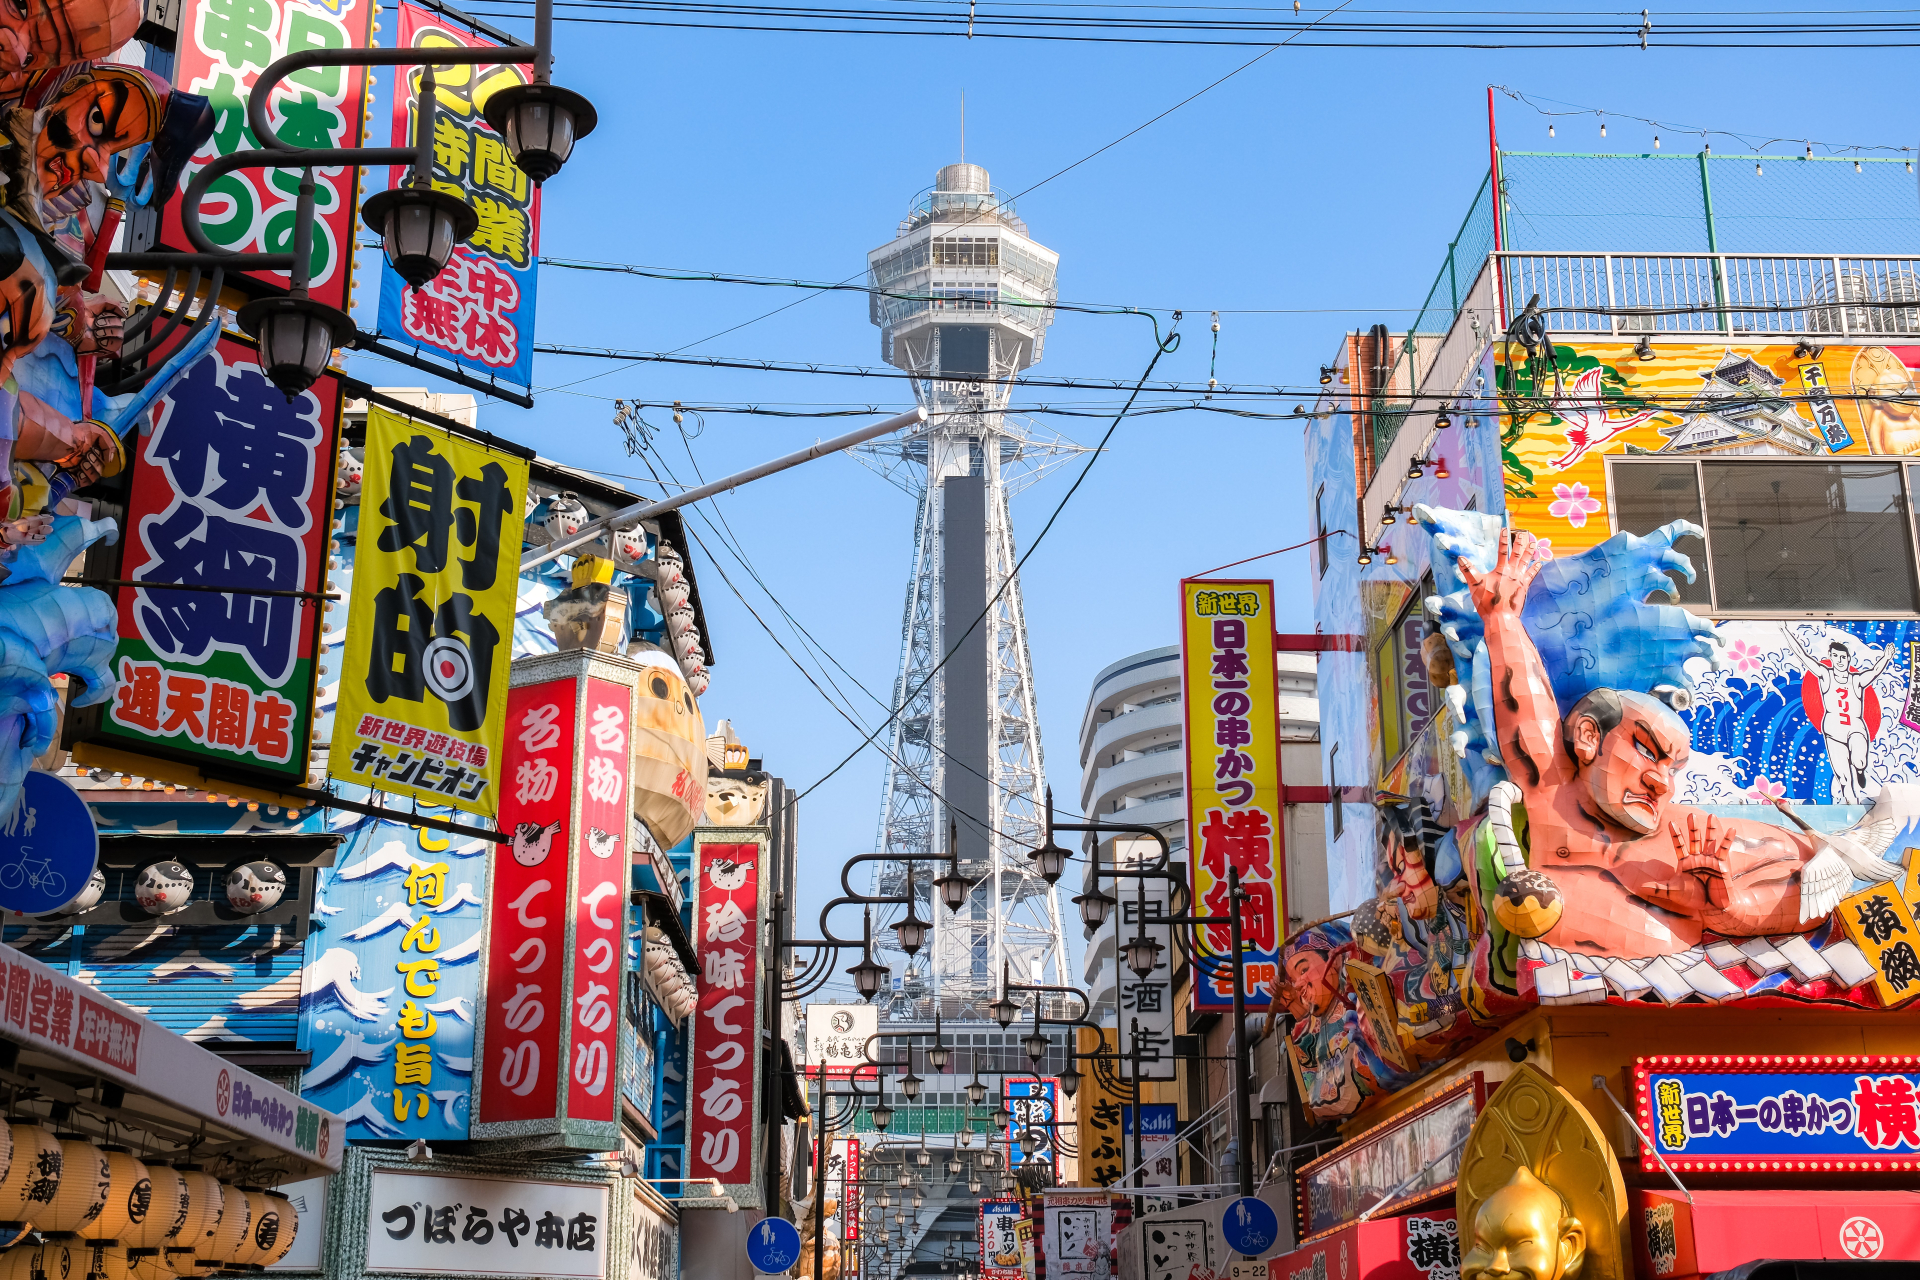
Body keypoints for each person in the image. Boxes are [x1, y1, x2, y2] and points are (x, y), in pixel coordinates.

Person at [1460, 526, 1853, 958]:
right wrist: (1500, 620)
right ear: (1589, 737)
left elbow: (1818, 877)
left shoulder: (1690, 835)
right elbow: (1525, 703)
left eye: (1673, 766)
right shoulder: (1552, 788)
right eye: (1647, 751)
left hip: (1678, 988)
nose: (1661, 782)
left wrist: (1726, 905)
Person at [1781, 625, 1895, 805]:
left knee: (1858, 760)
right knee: (1843, 777)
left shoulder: (1856, 680)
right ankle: (1852, 805)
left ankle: (1860, 770)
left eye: (1843, 657)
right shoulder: (1825, 676)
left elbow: (1874, 672)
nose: (1840, 660)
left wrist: (1886, 657)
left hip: (1855, 728)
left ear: (1848, 659)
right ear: (1831, 658)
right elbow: (1803, 656)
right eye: (1835, 657)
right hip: (1833, 732)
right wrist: (1785, 631)